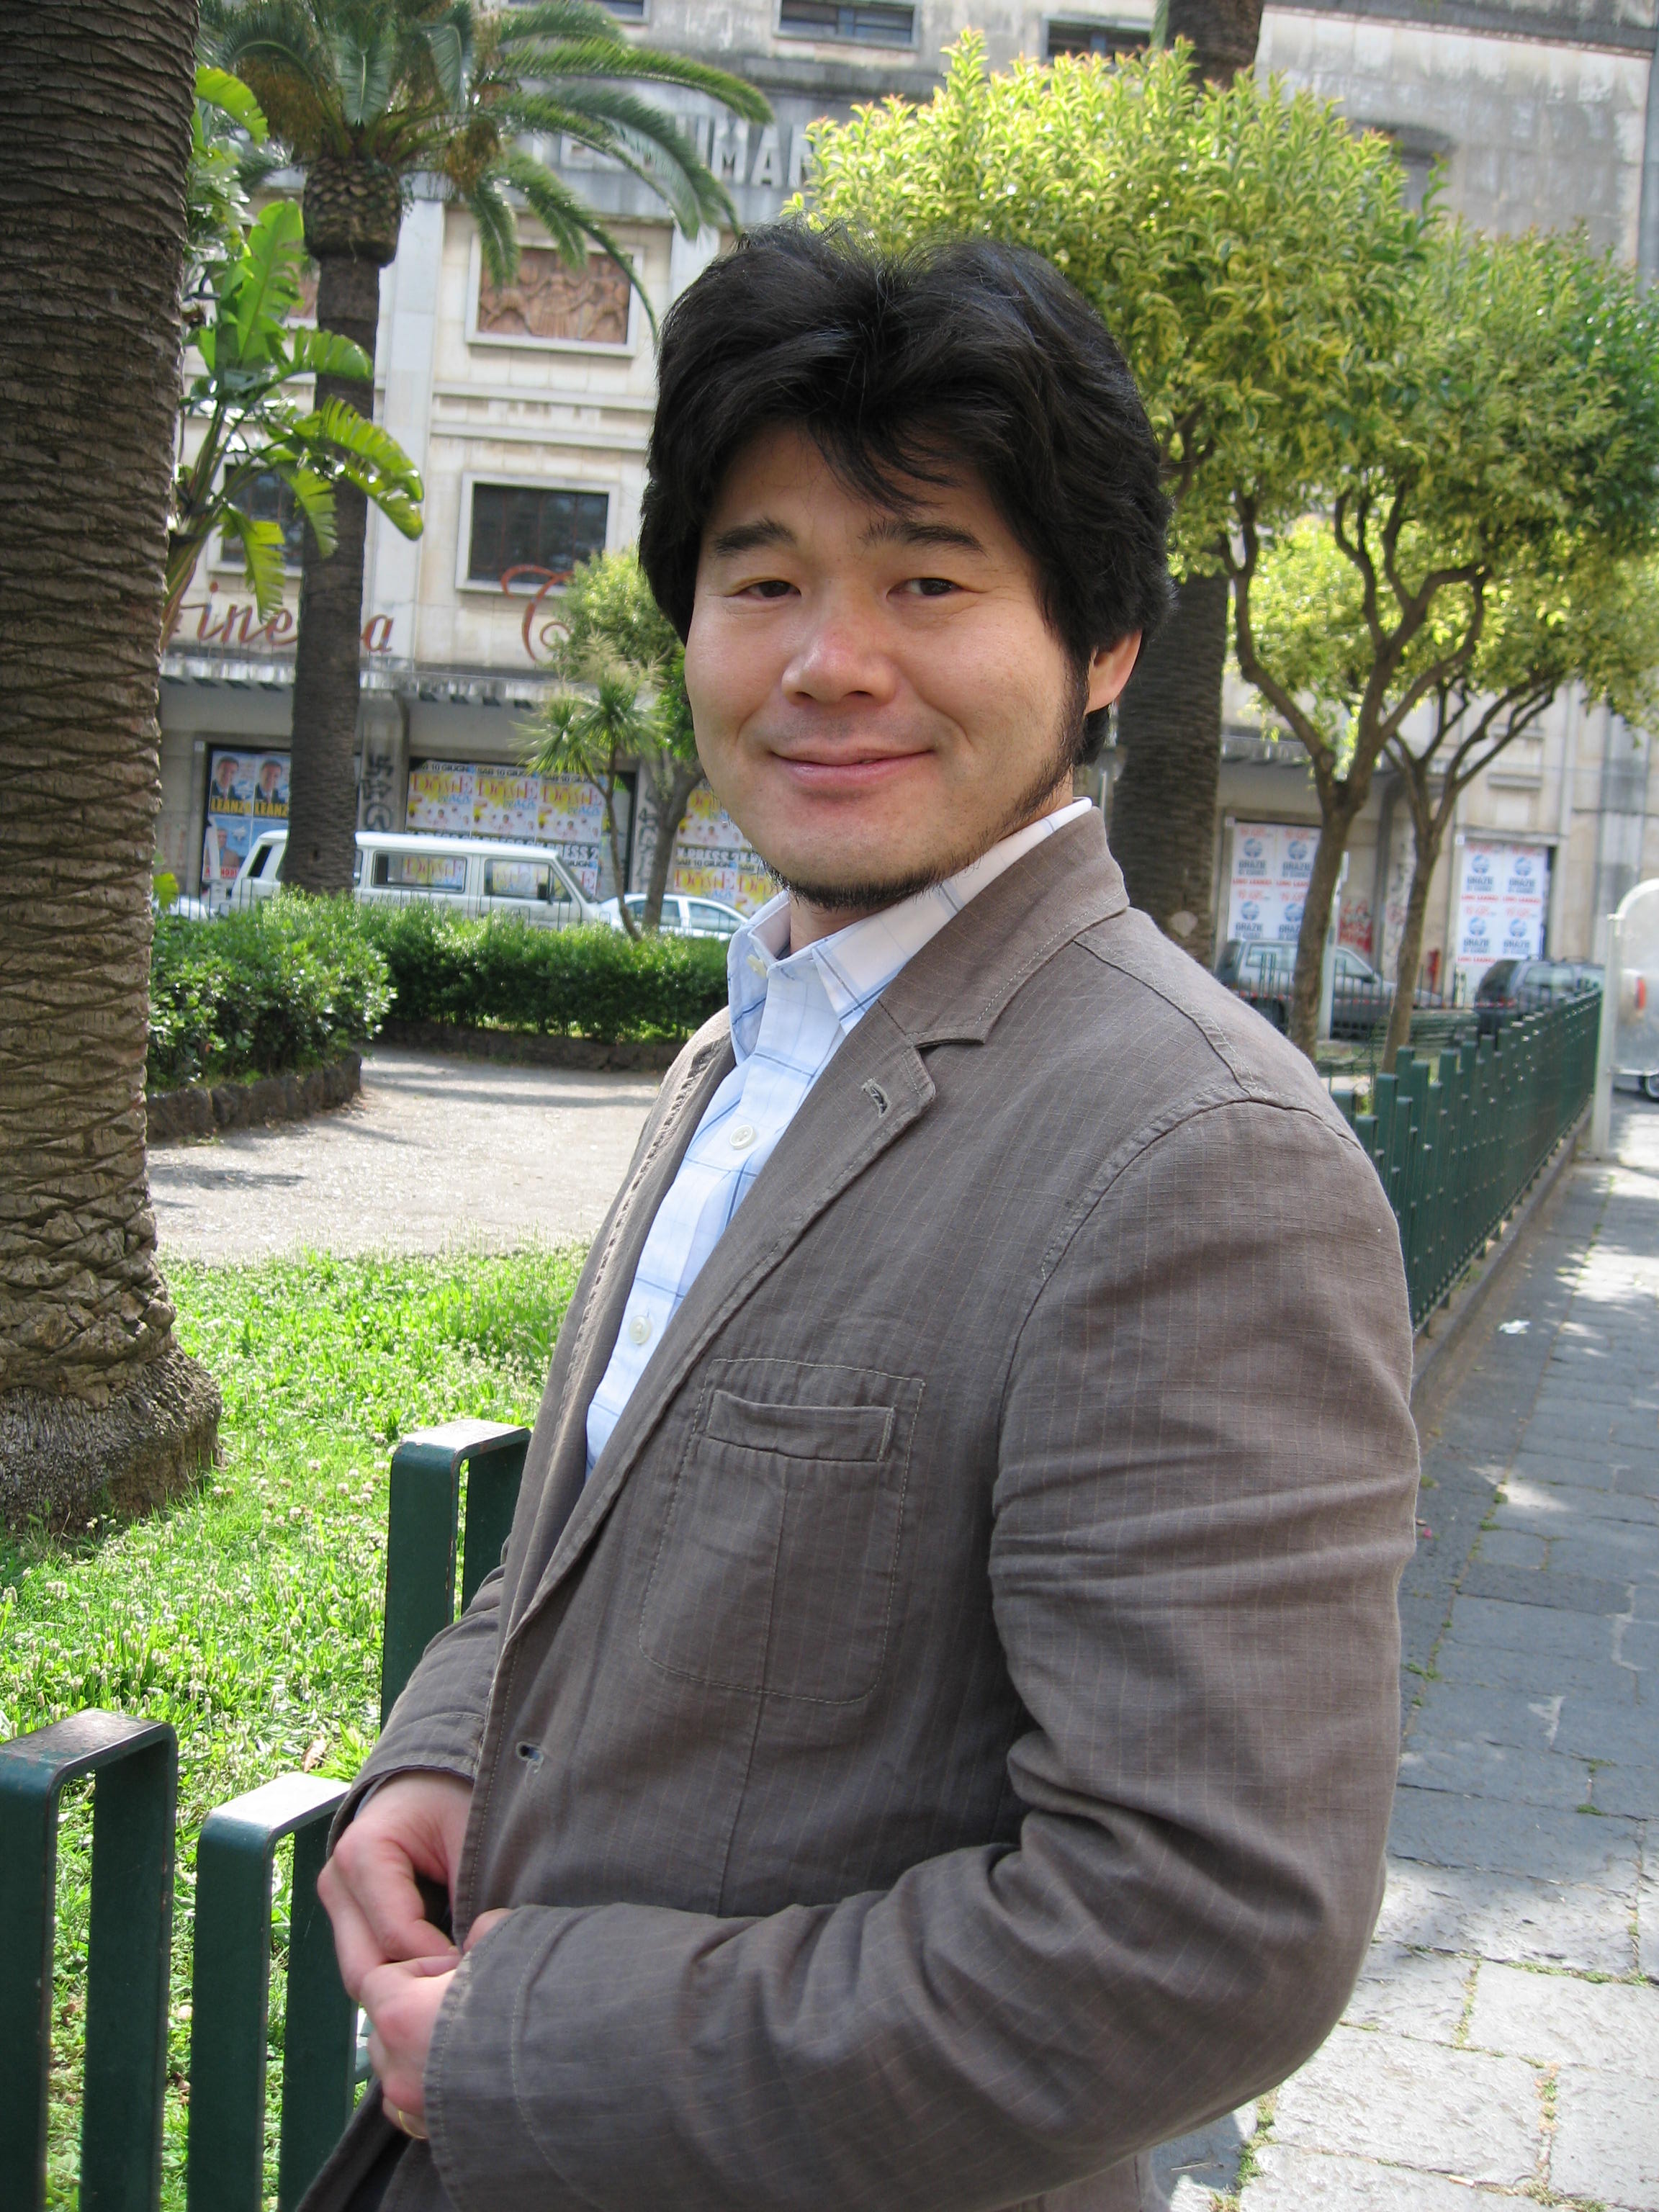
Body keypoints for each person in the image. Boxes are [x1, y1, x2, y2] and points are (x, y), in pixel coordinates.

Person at [303, 224, 1419, 2212]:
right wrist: (447, 1749)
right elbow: (620, 1532)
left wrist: (530, 2045)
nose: (829, 662)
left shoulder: (1197, 1153)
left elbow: (1201, 1931)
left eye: (929, 580)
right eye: (763, 582)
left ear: (1103, 645)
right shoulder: (752, 1043)